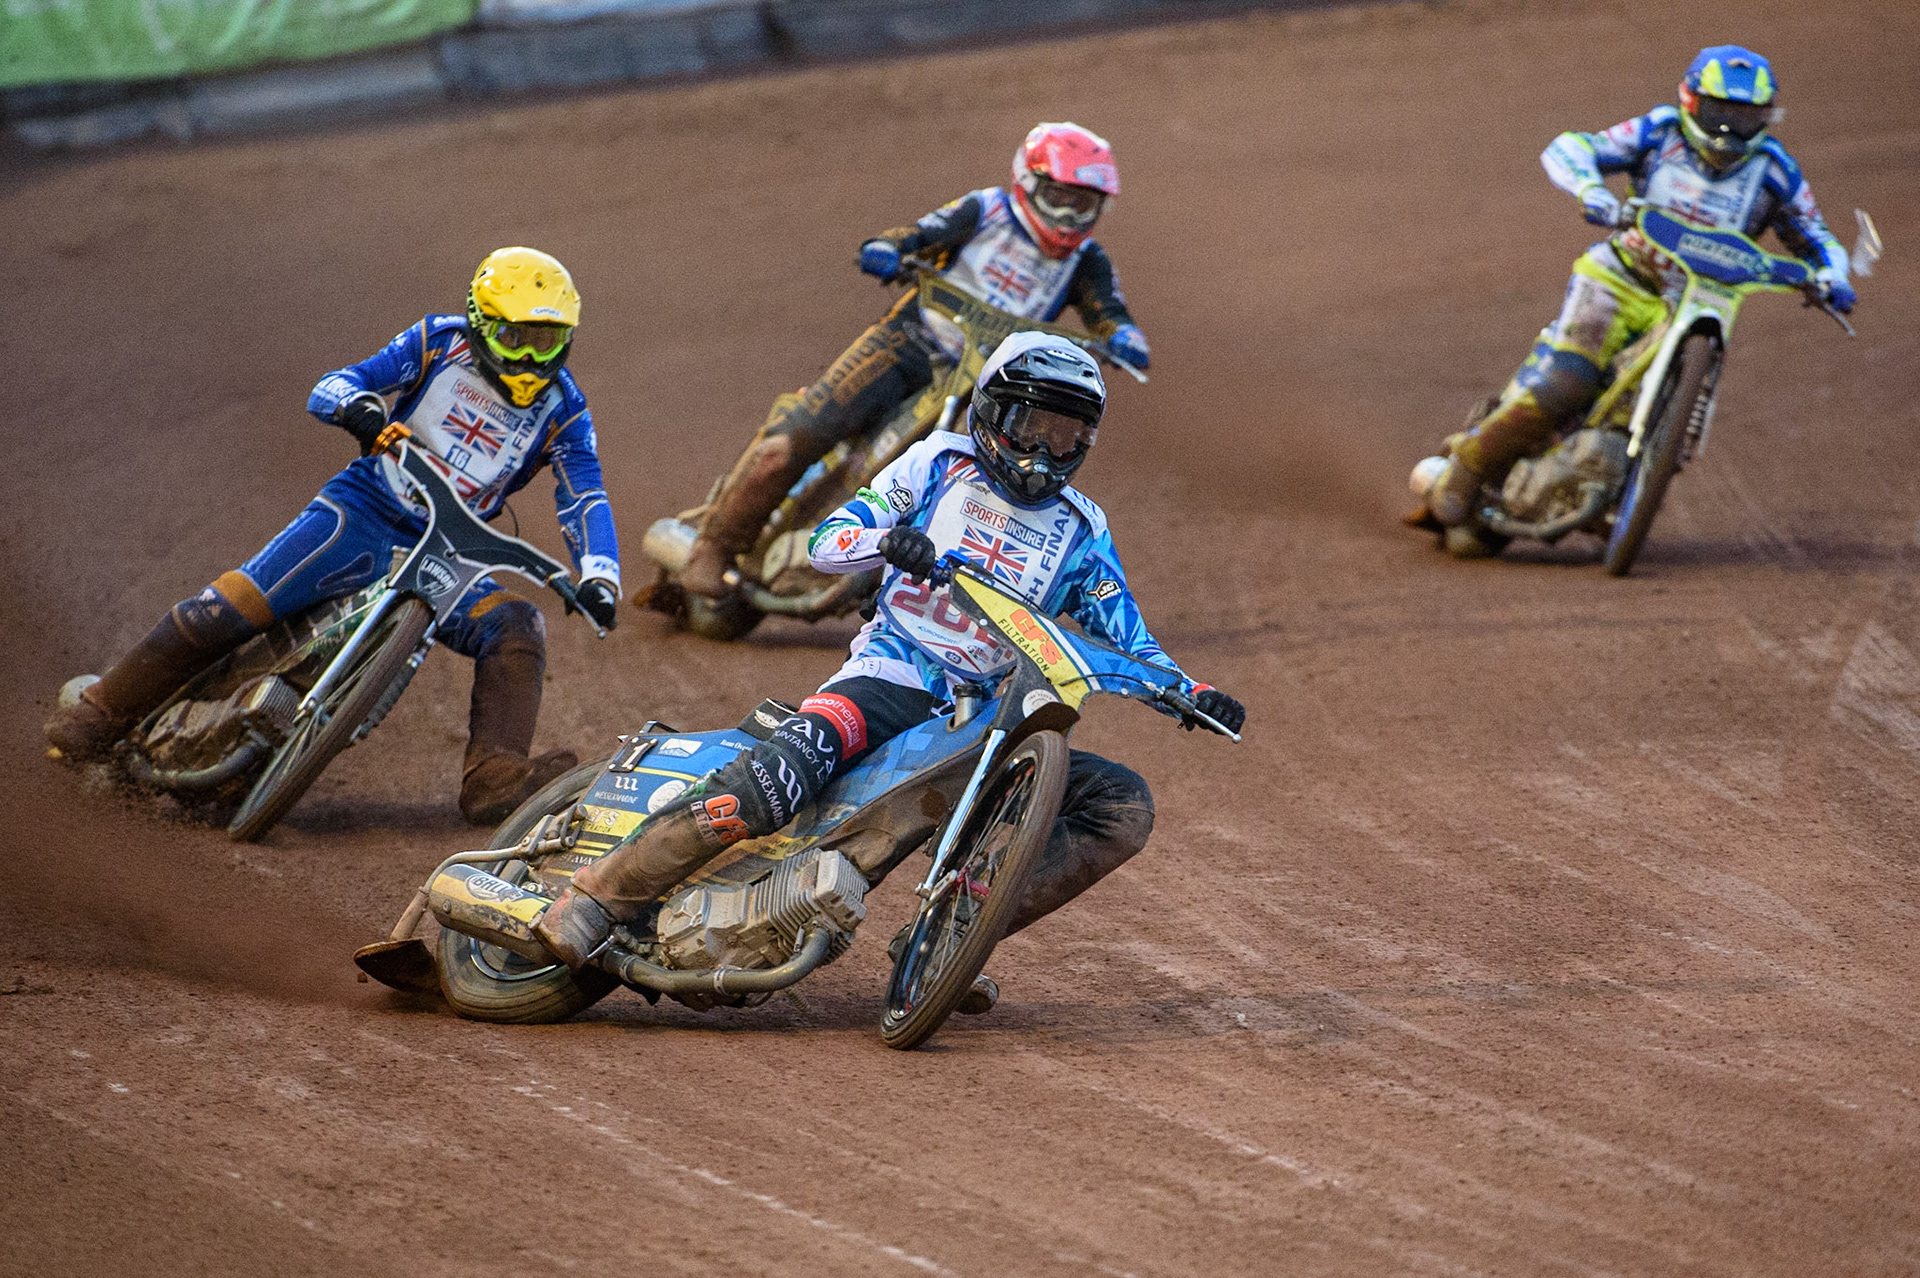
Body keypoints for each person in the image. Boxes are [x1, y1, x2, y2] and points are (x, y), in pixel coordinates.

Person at [537, 332, 1244, 1012]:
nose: (1041, 450)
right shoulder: (937, 465)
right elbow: (824, 543)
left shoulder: (1081, 529)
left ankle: (945, 940)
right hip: (887, 679)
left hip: (981, 717)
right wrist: (887, 541)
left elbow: (1129, 634)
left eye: (1064, 435)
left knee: (1122, 807)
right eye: (1030, 424)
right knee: (779, 778)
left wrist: (1190, 690)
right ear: (992, 412)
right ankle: (599, 896)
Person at [45, 248, 624, 825]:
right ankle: (100, 714)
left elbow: (584, 495)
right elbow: (334, 384)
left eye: (545, 341)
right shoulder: (436, 342)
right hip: (365, 509)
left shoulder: (565, 409)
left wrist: (601, 575)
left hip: (455, 546)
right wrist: (359, 408)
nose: (528, 355)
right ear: (480, 321)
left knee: (517, 625)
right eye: (516, 336)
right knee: (229, 607)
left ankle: (495, 778)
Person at [677, 121, 1152, 598]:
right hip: (906, 341)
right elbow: (919, 234)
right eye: (1059, 198)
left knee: (941, 477)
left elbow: (1107, 312)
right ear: (1027, 183)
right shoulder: (985, 211)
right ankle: (713, 547)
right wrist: (889, 249)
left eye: (1083, 204)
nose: (1069, 217)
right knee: (798, 435)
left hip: (975, 379)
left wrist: (1124, 337)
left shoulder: (1087, 261)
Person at [1414, 46, 1855, 552]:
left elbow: (1819, 237)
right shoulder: (1659, 132)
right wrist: (1591, 190)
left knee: (1677, 432)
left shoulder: (1776, 172)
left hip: (1700, 303)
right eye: (1720, 113)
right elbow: (1569, 147)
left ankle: (1616, 488)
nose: (1732, 129)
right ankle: (1466, 469)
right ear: (1691, 102)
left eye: (1746, 116)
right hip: (1620, 279)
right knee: (1567, 380)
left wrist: (1832, 277)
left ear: (1767, 117)